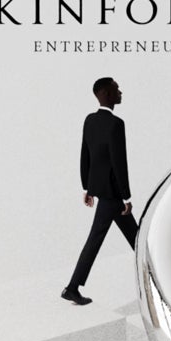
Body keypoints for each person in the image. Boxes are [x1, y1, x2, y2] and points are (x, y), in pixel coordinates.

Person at [61, 77, 136, 306]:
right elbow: (118, 162)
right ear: (105, 93)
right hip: (113, 195)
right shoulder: (116, 124)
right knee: (98, 239)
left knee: (136, 238)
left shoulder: (90, 120)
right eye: (116, 89)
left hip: (101, 191)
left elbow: (85, 154)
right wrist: (126, 196)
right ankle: (72, 287)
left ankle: (157, 274)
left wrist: (87, 187)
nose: (120, 92)